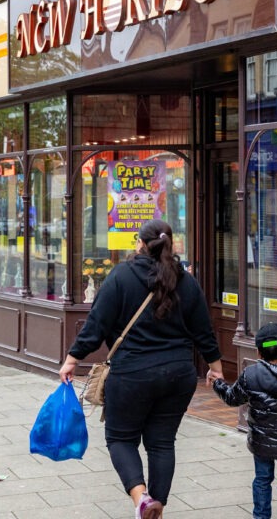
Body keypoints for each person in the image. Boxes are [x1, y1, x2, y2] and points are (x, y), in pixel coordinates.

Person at [59, 219, 224, 519]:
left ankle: (142, 499)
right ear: (170, 244)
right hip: (178, 374)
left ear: (140, 243)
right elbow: (204, 331)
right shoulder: (186, 281)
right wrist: (216, 368)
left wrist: (73, 359)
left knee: (120, 439)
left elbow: (97, 324)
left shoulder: (121, 276)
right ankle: (156, 507)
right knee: (162, 442)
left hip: (133, 374)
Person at [212, 322, 277, 519]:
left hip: (261, 443)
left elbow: (231, 398)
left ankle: (261, 516)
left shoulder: (250, 375)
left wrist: (217, 383)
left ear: (258, 353)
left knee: (262, 479)